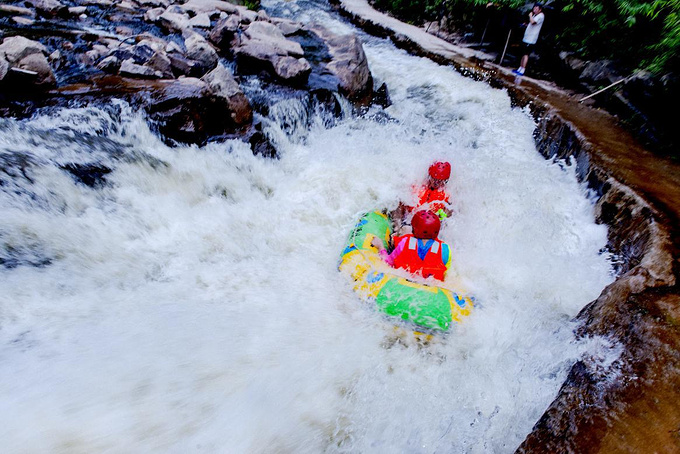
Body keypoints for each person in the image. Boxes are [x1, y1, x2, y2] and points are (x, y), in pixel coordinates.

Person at [371, 210, 452, 281]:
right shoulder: (445, 249)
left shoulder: (404, 242)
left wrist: (380, 246)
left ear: (413, 229)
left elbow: (387, 263)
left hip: (402, 285)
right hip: (432, 290)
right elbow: (447, 276)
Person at [391, 161, 454, 237]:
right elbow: (400, 206)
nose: (436, 183)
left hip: (428, 229)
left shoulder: (447, 195)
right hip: (408, 223)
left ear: (446, 181)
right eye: (434, 179)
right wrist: (397, 226)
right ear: (429, 176)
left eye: (440, 181)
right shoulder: (416, 185)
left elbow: (447, 217)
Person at [513, 3, 544, 76]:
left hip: (531, 38)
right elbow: (531, 23)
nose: (534, 10)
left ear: (540, 9)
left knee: (526, 54)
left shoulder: (541, 16)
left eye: (536, 9)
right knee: (523, 53)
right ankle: (520, 68)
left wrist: (530, 16)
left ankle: (523, 70)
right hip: (527, 37)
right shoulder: (535, 15)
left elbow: (533, 22)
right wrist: (526, 24)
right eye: (534, 9)